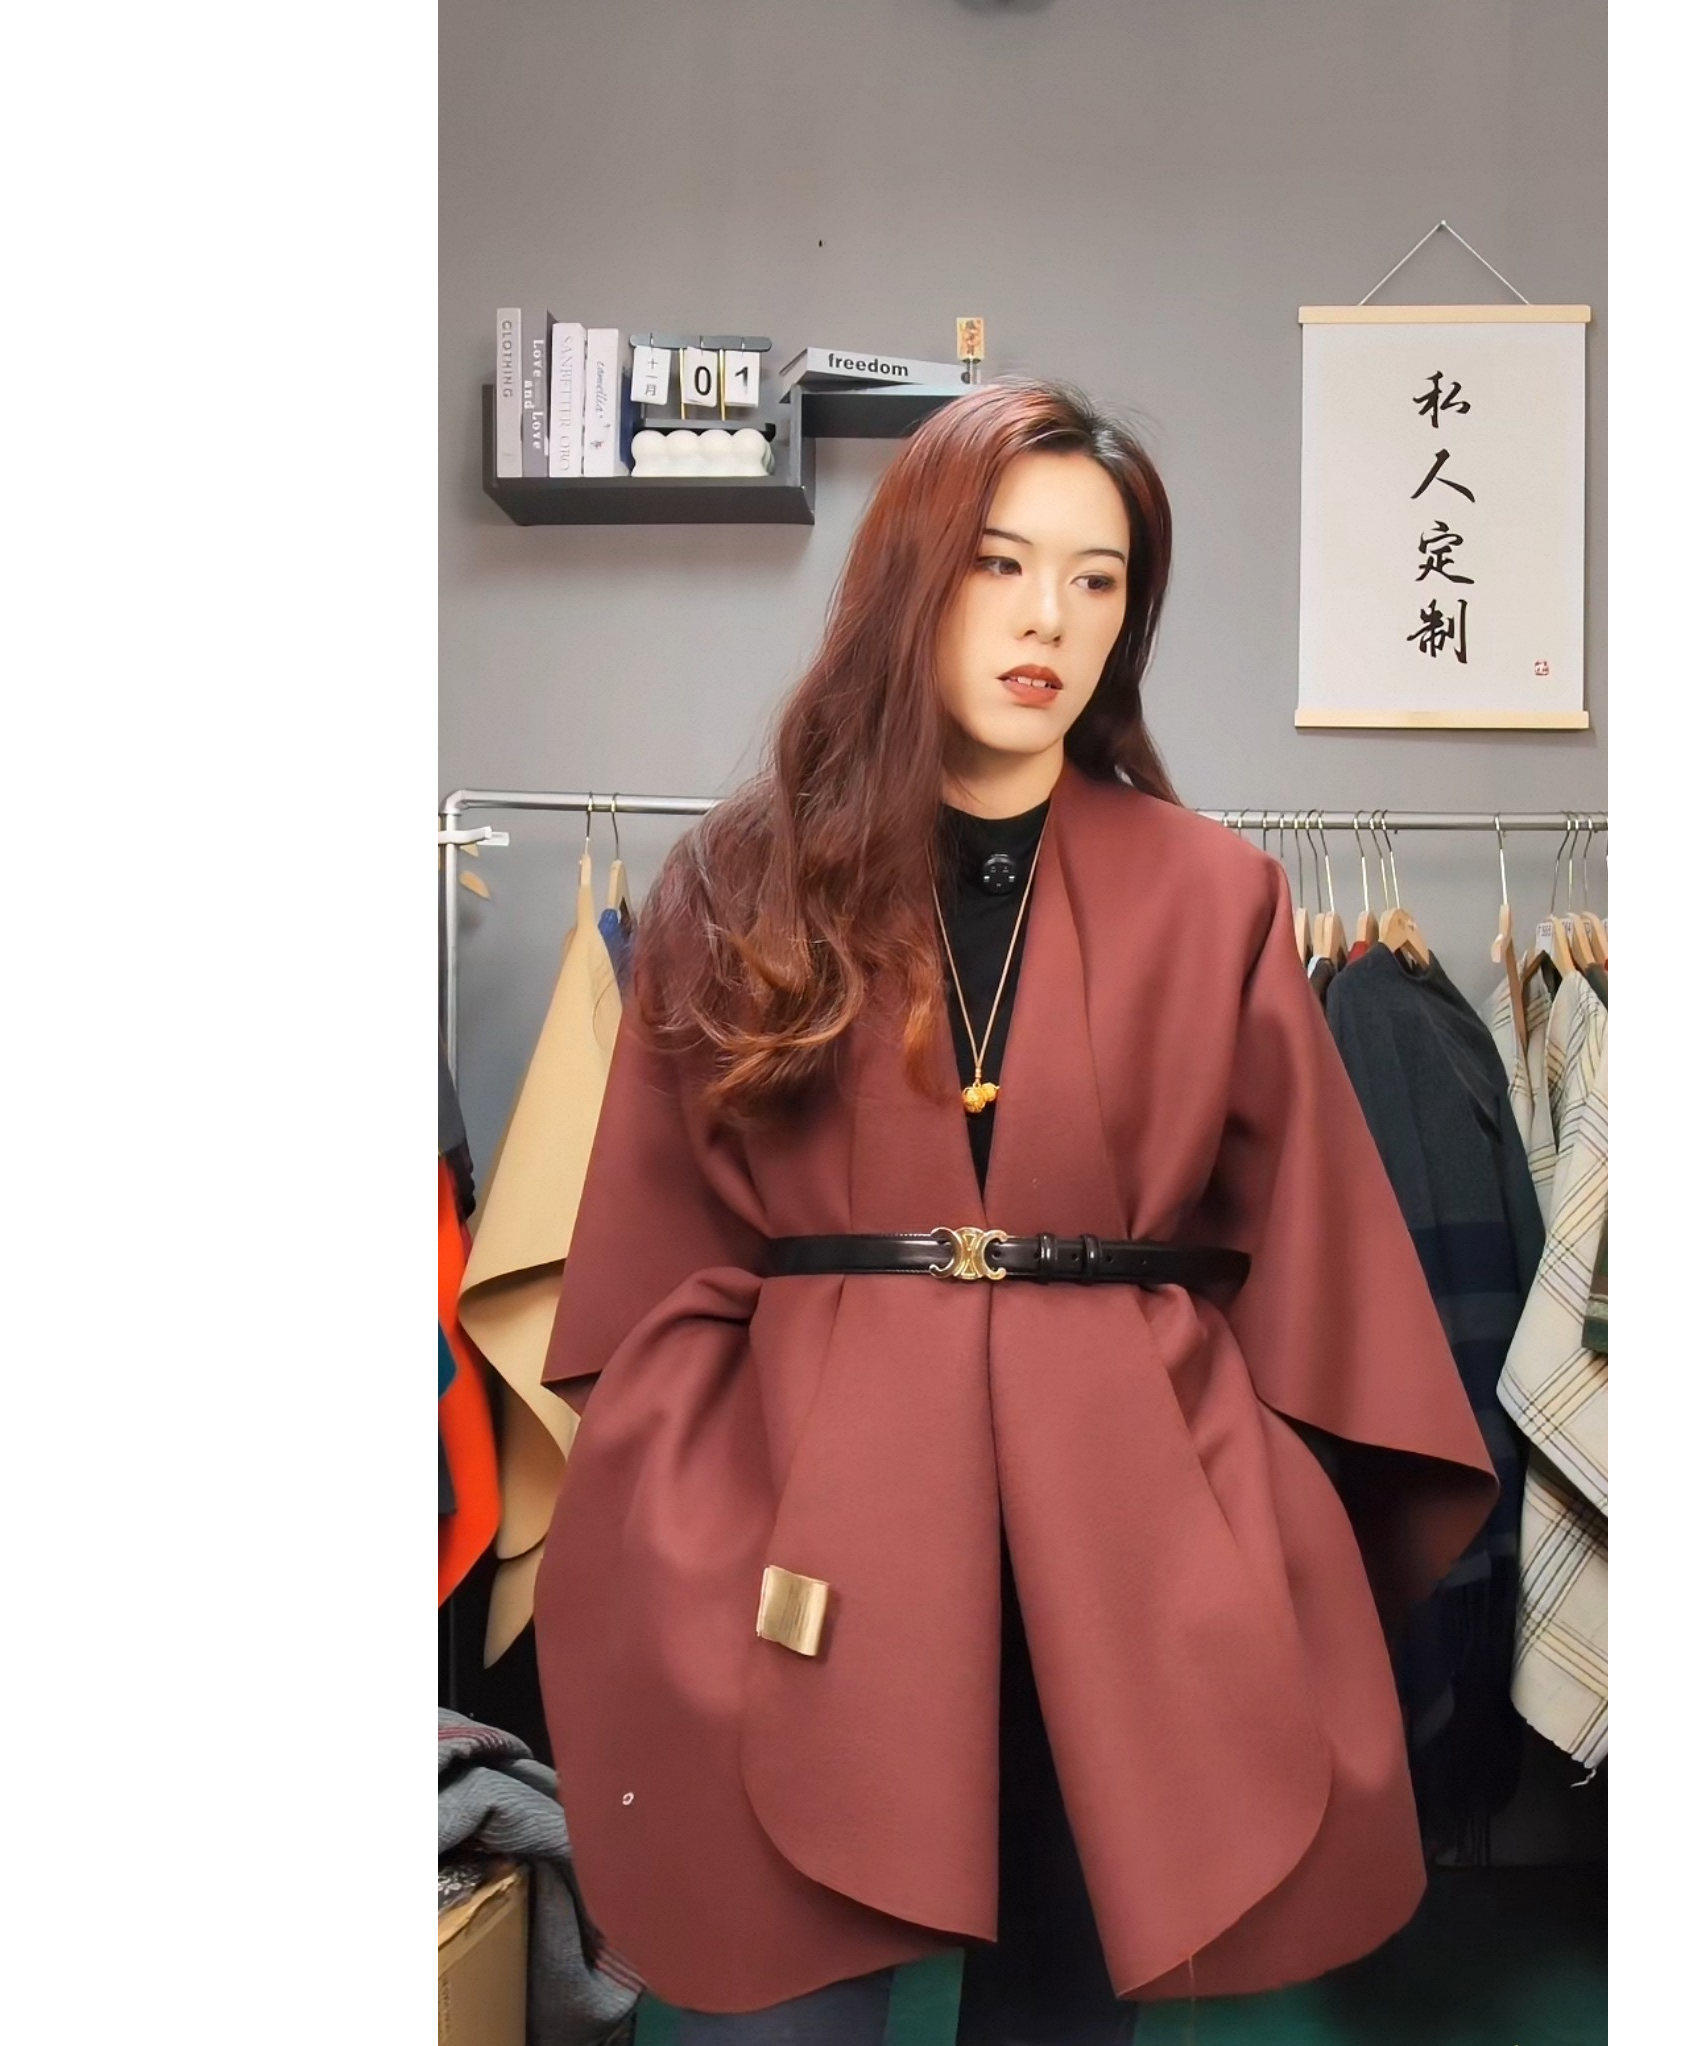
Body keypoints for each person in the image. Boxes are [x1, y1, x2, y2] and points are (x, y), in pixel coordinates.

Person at [531, 380, 1498, 2043]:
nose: (1048, 616)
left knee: (1064, 1999)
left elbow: (1319, 1264)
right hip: (804, 1510)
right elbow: (650, 1256)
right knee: (778, 1998)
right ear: (912, 579)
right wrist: (692, 1506)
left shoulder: (1213, 892)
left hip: (1119, 1528)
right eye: (999, 563)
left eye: (1095, 577)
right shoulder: (737, 882)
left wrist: (1253, 1517)